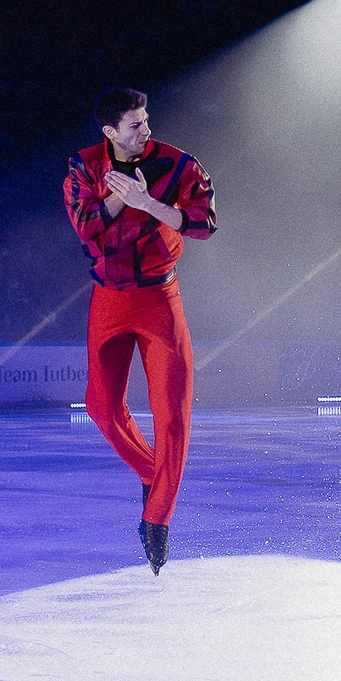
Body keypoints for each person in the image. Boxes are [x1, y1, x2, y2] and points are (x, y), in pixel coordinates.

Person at [64, 87, 217, 573]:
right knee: (101, 407)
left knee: (173, 412)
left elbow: (205, 222)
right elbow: (86, 226)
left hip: (159, 297)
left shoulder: (178, 164)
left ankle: (157, 520)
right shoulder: (84, 167)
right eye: (135, 125)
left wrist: (148, 203)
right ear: (111, 133)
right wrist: (118, 197)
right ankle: (154, 474)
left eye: (146, 120)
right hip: (109, 297)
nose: (145, 130)